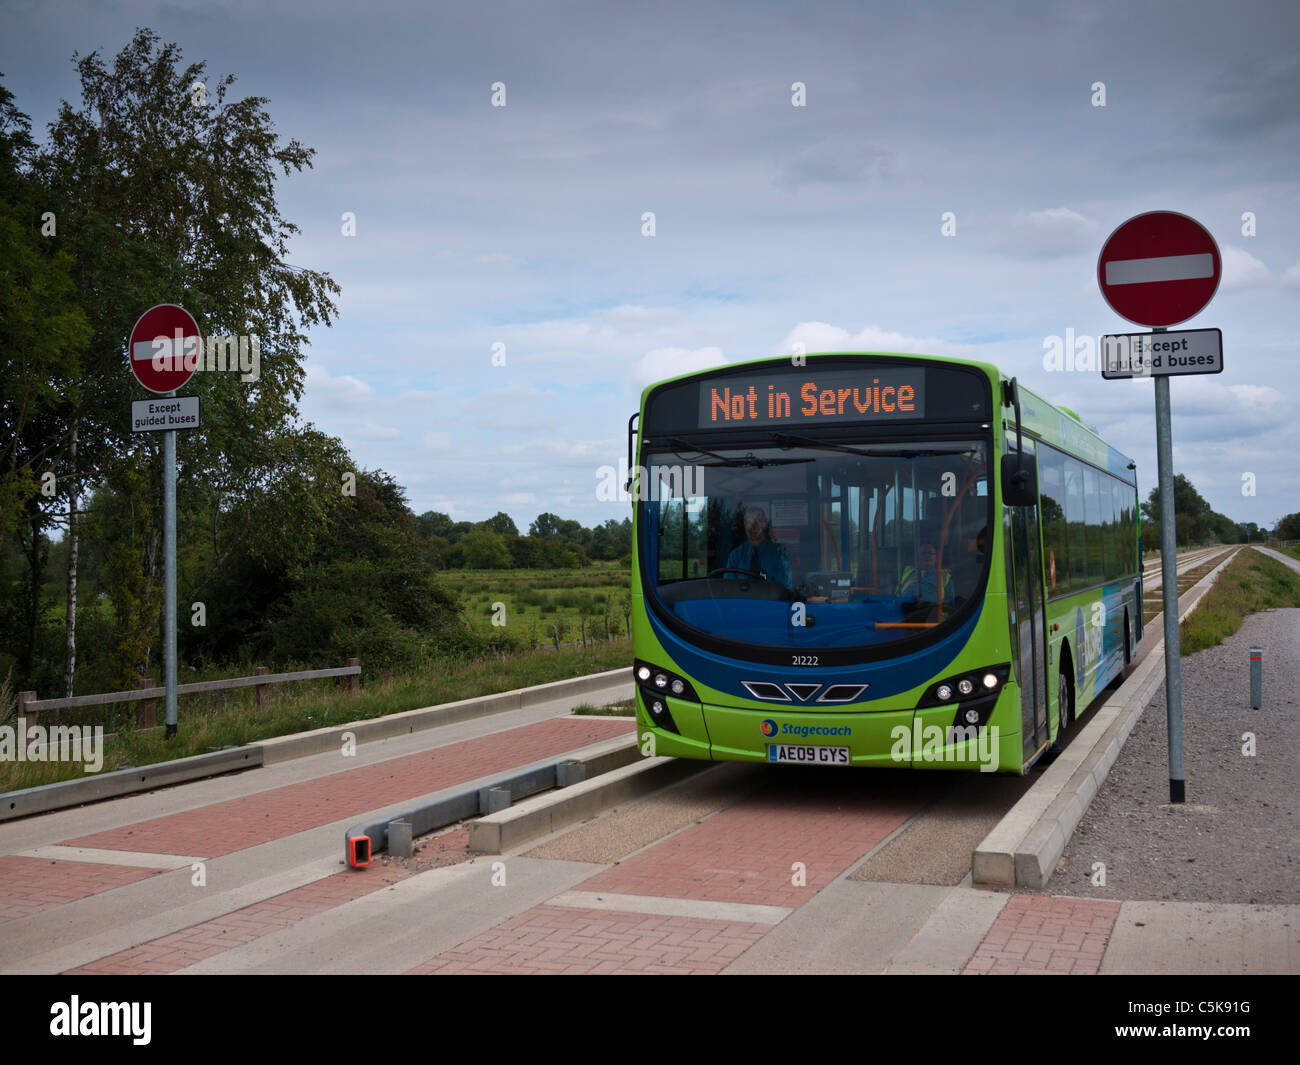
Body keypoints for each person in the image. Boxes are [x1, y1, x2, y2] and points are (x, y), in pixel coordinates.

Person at [725, 506, 791, 587]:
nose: (753, 526)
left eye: (758, 521)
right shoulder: (735, 556)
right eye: (748, 522)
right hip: (740, 599)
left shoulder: (778, 555)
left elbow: (784, 589)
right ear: (744, 525)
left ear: (765, 524)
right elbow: (728, 588)